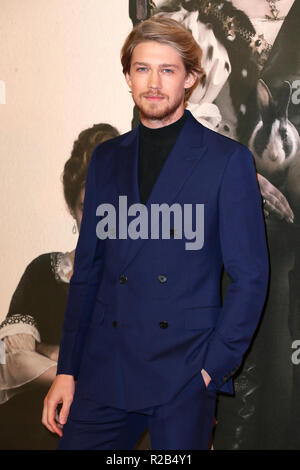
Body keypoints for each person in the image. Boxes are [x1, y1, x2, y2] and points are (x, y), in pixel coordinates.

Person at [42, 16, 269, 450]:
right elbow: (87, 271)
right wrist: (67, 370)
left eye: (167, 70)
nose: (153, 83)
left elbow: (251, 277)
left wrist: (211, 368)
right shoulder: (106, 159)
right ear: (128, 76)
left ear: (190, 79)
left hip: (183, 372)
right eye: (142, 69)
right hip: (105, 368)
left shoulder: (227, 161)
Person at [0, 123, 119, 449]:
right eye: (87, 207)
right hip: (41, 427)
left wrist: (50, 351)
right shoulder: (42, 271)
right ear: (72, 208)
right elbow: (14, 361)